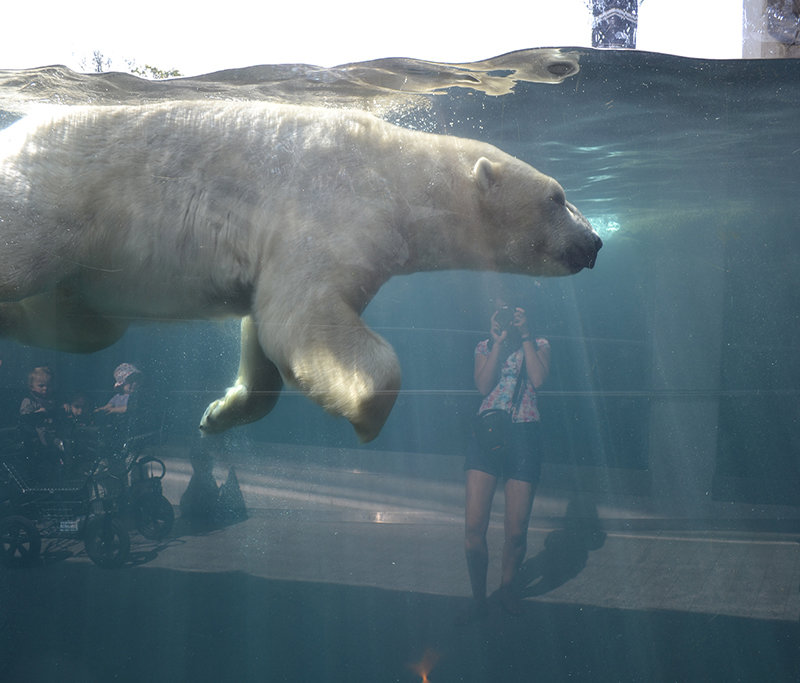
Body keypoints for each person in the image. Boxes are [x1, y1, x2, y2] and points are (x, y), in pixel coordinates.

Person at [464, 293, 551, 617]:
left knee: (516, 531)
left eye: (510, 312)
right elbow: (482, 386)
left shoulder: (540, 343)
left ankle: (507, 591)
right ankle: (478, 599)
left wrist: (525, 335)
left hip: (525, 432)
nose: (503, 317)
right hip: (487, 432)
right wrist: (498, 342)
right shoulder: (484, 347)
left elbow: (539, 379)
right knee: (474, 530)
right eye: (498, 311)